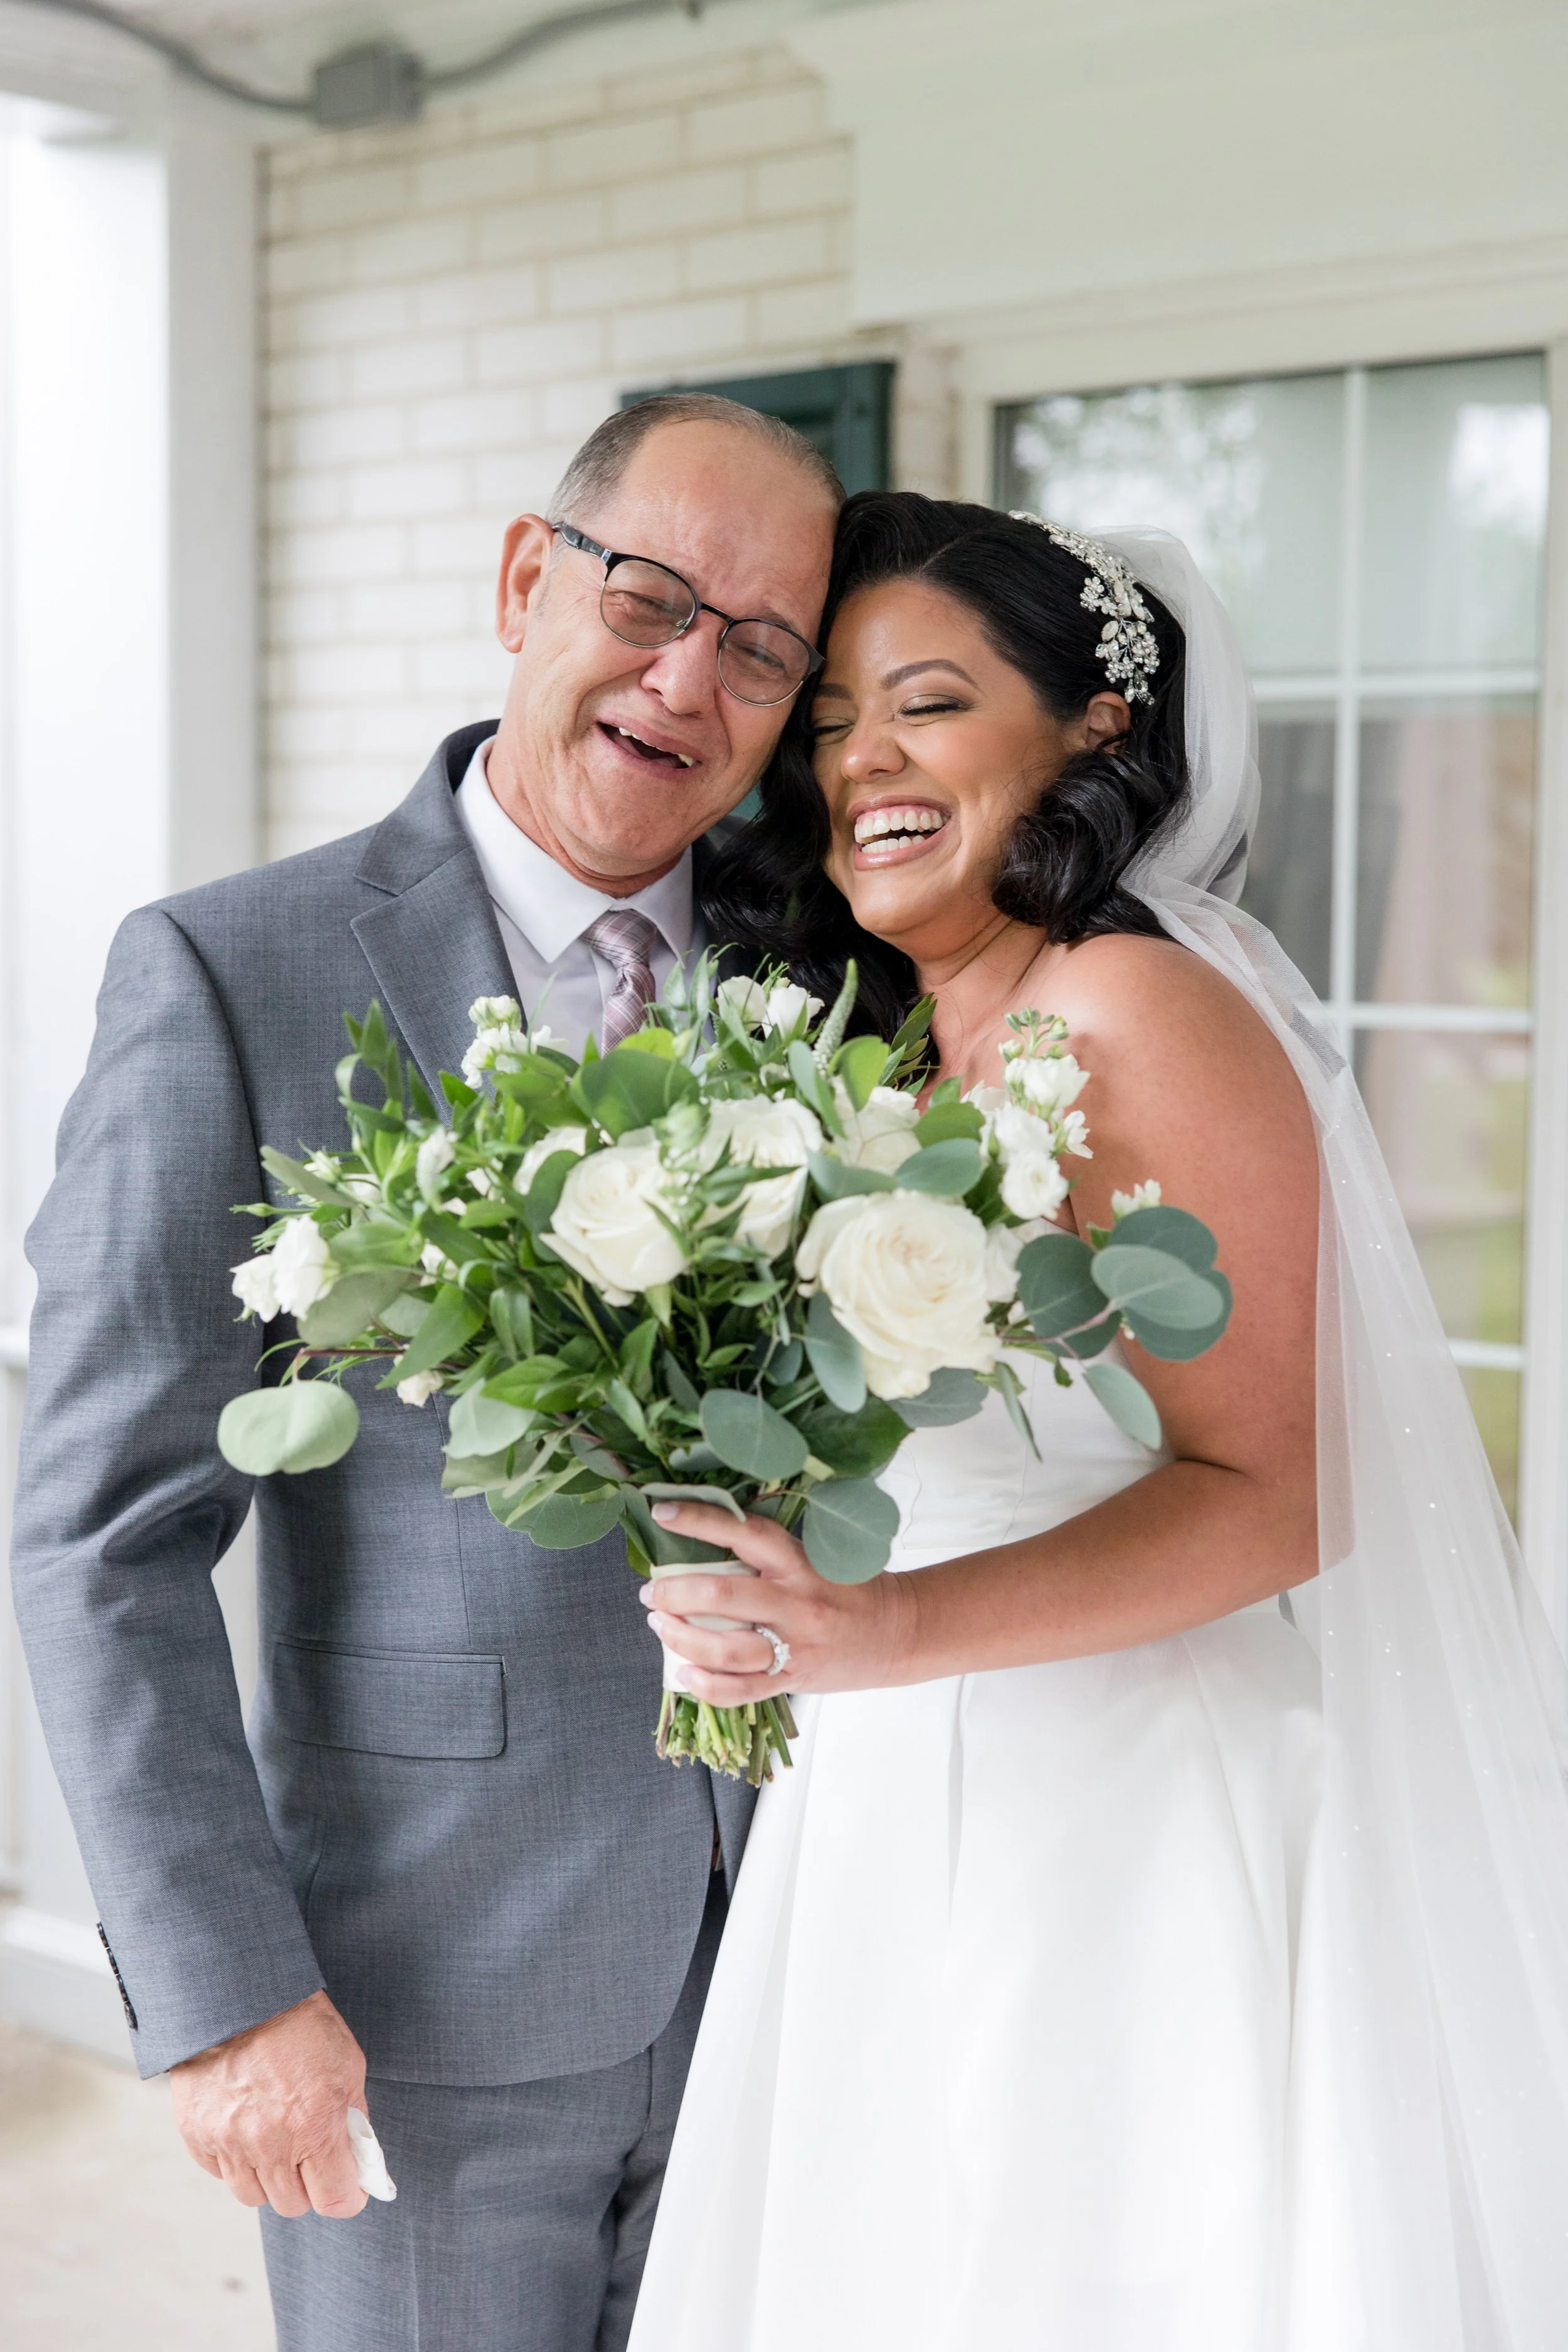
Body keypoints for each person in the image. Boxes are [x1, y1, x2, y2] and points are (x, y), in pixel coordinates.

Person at [628, 494, 1568, 2349]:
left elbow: (1283, 1493)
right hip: (887, 1790)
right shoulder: (875, 1049)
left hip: (1120, 1820)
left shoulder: (1133, 1007)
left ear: (1093, 728)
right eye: (826, 720)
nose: (859, 759)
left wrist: (881, 1626)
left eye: (928, 703)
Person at [9, 393, 839, 2352]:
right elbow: (101, 1530)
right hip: (425, 1996)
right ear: (523, 580)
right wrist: (221, 1989)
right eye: (648, 598)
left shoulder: (826, 982)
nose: (685, 676)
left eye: (762, 649)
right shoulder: (233, 972)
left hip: (810, 1958)